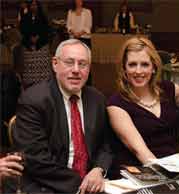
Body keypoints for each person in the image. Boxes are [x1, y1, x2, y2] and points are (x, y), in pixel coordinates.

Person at [3, 39, 112, 194]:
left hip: (91, 181)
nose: (76, 70)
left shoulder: (97, 99)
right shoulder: (34, 100)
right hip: (46, 184)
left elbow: (105, 145)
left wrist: (99, 170)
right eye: (69, 62)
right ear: (55, 64)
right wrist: (83, 186)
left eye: (82, 64)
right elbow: (38, 161)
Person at [107, 37, 179, 178]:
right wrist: (171, 180)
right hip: (137, 175)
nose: (138, 71)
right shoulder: (116, 104)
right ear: (124, 68)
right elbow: (141, 152)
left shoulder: (169, 90)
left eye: (144, 64)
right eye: (132, 64)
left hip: (173, 168)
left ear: (154, 67)